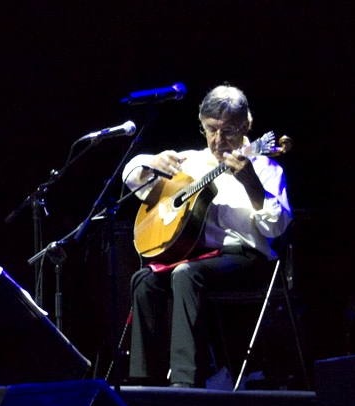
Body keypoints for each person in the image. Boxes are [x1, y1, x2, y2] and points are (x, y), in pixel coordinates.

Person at [121, 84, 291, 387]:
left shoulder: (265, 166)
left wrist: (251, 182)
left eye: (227, 131)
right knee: (144, 280)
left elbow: (276, 228)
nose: (218, 140)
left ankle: (186, 384)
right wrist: (150, 164)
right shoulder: (189, 163)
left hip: (245, 261)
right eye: (210, 130)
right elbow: (132, 178)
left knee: (187, 274)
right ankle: (142, 383)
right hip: (195, 258)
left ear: (246, 125)